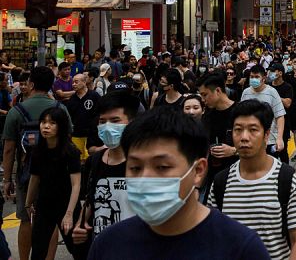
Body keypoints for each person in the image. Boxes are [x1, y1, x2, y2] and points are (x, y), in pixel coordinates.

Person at [87, 108, 270, 259]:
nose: (145, 178)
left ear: (198, 171)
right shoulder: (108, 244)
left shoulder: (241, 249)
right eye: (135, 168)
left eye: (162, 167)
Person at [209, 100, 296, 260]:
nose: (244, 137)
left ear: (266, 135)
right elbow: (214, 237)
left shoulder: (286, 179)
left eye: (253, 130)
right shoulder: (220, 182)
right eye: (238, 130)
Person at [2, 66, 71, 260]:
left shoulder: (16, 111)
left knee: (25, 220)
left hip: (26, 173)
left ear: (31, 84)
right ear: (51, 85)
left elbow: (8, 149)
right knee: (50, 220)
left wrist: (7, 179)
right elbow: (68, 141)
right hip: (56, 175)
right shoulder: (60, 109)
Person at [71, 92, 140, 257]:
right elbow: (90, 199)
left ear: (131, 123)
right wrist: (81, 225)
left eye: (115, 121)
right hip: (102, 248)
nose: (107, 127)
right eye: (102, 122)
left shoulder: (144, 163)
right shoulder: (94, 161)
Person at [25, 105, 82, 260]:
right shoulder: (38, 151)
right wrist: (28, 203)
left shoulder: (71, 151)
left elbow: (76, 185)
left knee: (78, 250)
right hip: (44, 205)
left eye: (52, 123)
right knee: (38, 250)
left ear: (61, 126)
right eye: (43, 122)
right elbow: (34, 178)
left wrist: (69, 214)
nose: (46, 126)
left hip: (67, 205)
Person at [197, 73, 239, 201]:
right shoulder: (207, 117)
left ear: (218, 91)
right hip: (214, 179)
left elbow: (259, 146)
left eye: (205, 95)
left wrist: (234, 151)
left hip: (238, 178)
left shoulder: (240, 112)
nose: (203, 100)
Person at [240, 65, 287, 160]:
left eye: (257, 77)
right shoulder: (246, 92)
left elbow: (280, 116)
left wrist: (279, 138)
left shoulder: (272, 92)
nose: (253, 79)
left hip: (269, 140)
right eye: (252, 77)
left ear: (264, 78)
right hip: (251, 140)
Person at [66, 73, 101, 162]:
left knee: (92, 159)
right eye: (73, 82)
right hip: (77, 135)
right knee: (78, 160)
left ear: (84, 82)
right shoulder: (72, 99)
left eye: (76, 82)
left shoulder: (94, 96)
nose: (73, 84)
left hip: (92, 135)